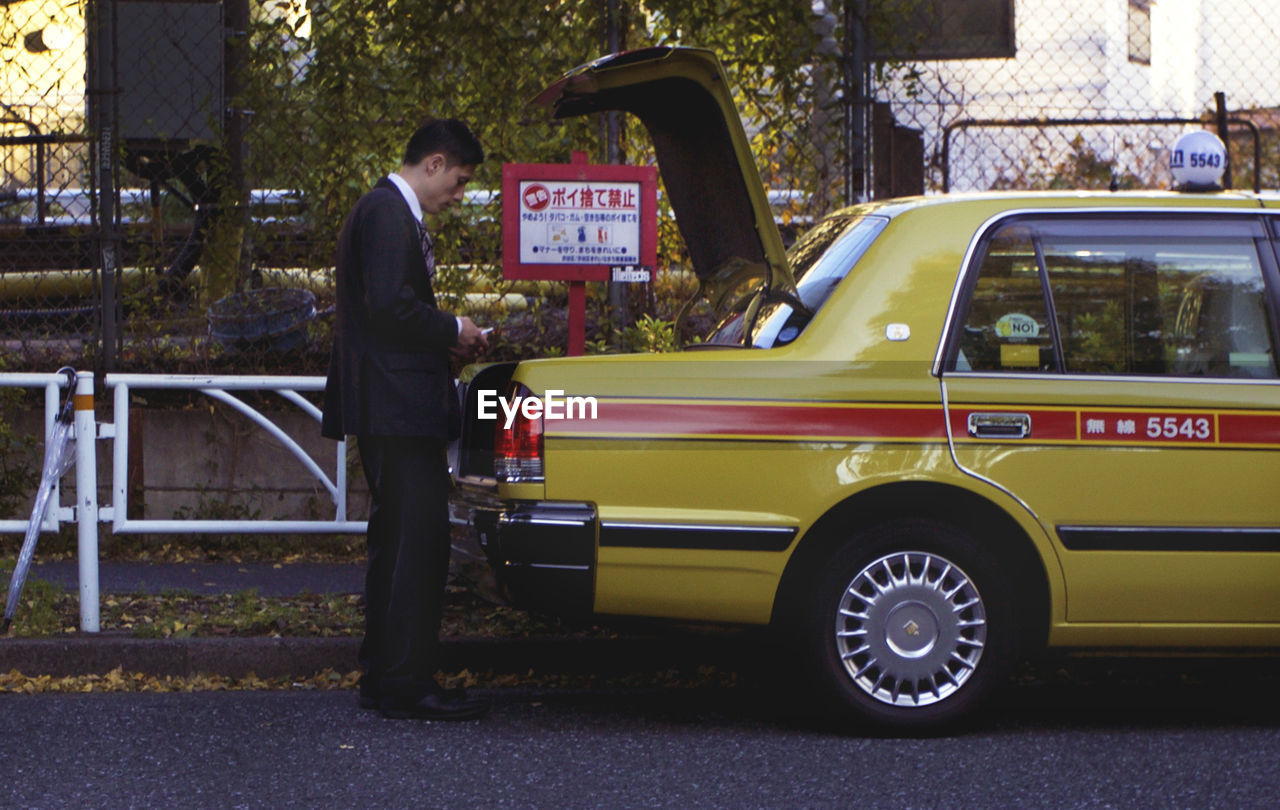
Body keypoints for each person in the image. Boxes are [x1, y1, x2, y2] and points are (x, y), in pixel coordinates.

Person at [322, 119, 490, 720]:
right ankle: (405, 681)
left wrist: (441, 344)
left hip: (388, 400)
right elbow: (392, 305)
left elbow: (382, 314)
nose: (459, 195)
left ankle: (387, 675)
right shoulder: (389, 215)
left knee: (395, 541)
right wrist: (453, 330)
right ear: (436, 163)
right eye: (461, 181)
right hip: (397, 405)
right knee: (418, 544)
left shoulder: (382, 211)